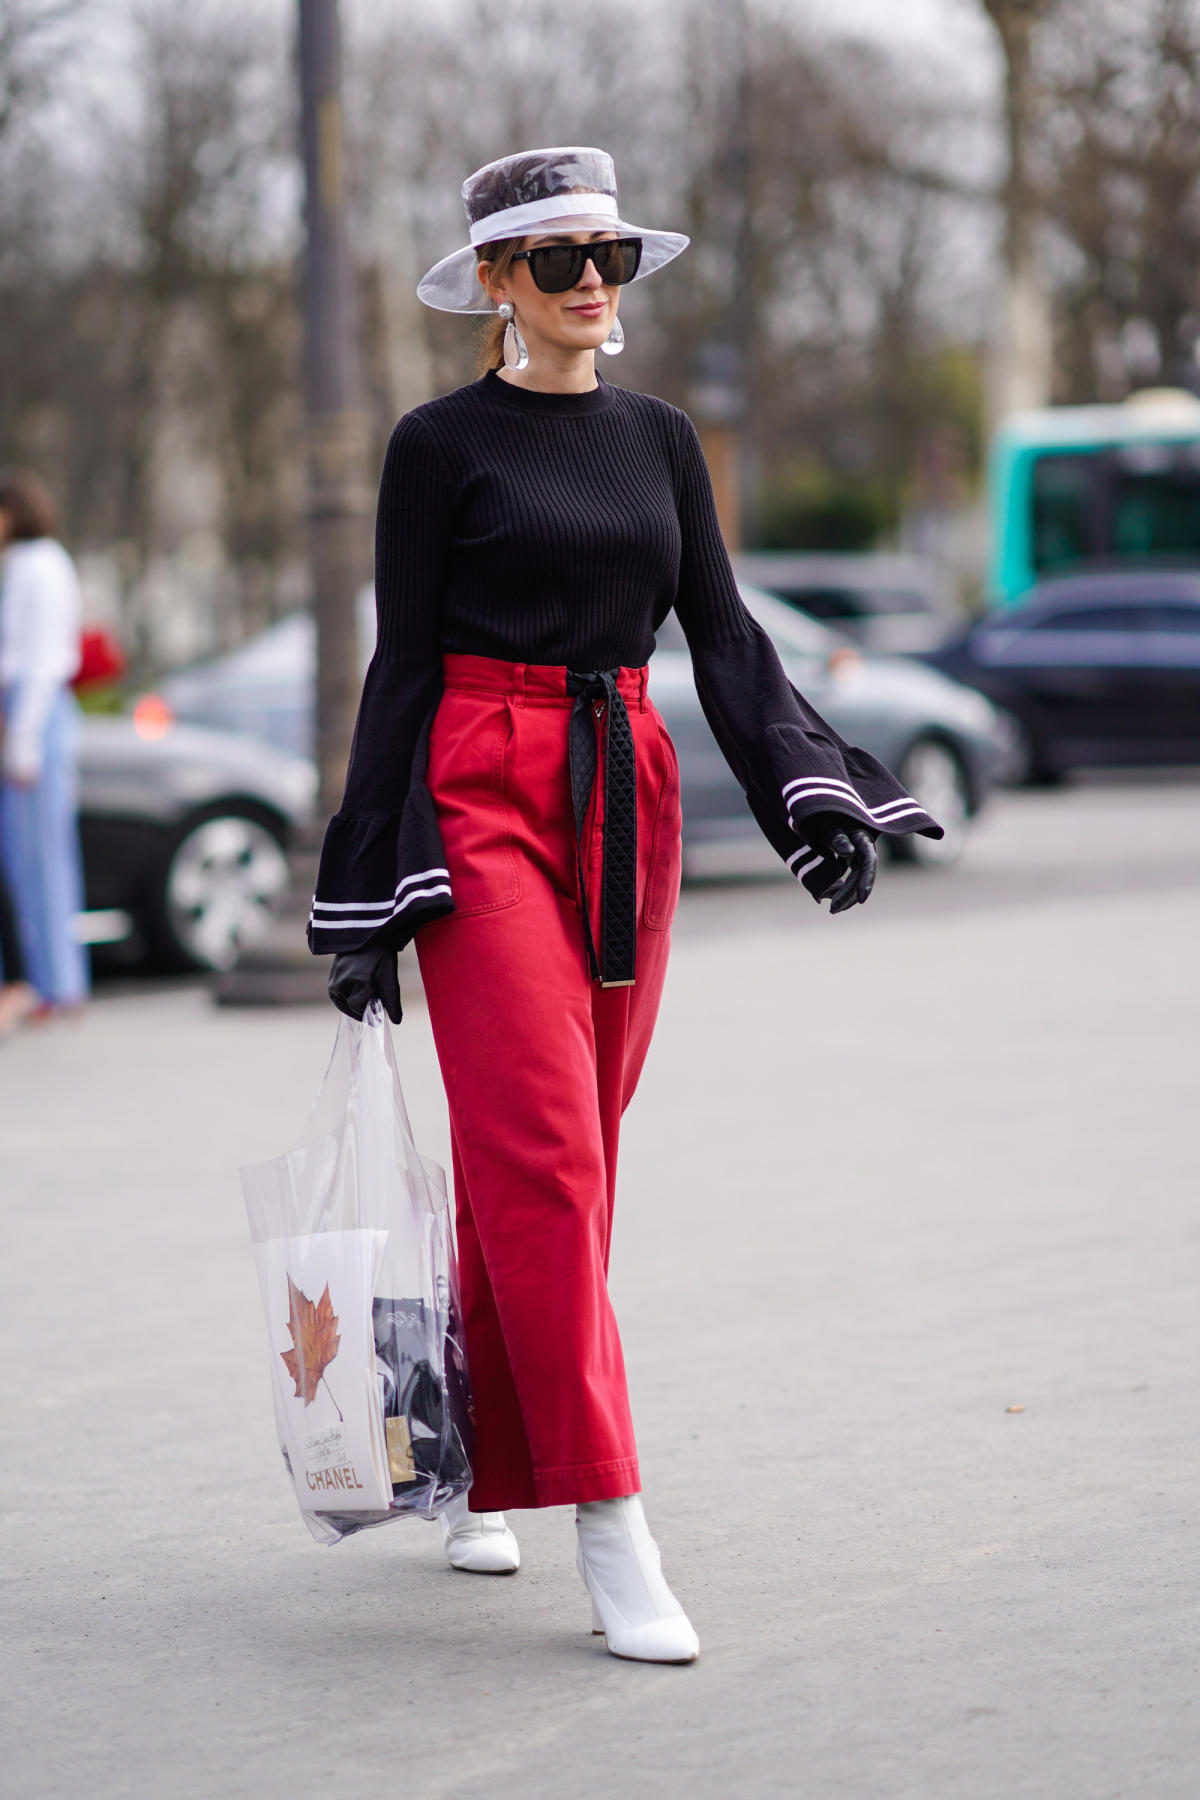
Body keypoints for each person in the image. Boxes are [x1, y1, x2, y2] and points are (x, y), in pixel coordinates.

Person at [308, 147, 943, 1664]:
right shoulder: (437, 443)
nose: (595, 281)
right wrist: (361, 880)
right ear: (499, 284)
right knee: (545, 1157)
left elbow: (722, 637)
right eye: (561, 258)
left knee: (567, 1159)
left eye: (614, 257)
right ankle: (612, 1519)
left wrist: (810, 786)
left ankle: (460, 1455)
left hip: (621, 790)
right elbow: (400, 666)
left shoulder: (661, 441)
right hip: (477, 785)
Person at [0, 470, 89, 1017]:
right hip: (26, 709)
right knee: (22, 857)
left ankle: (59, 984)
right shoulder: (24, 566)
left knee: (42, 855)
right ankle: (46, 981)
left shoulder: (41, 566)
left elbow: (41, 660)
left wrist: (24, 738)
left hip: (35, 711)